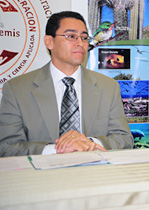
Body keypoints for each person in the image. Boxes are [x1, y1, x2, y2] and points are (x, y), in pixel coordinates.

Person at [0, 11, 133, 157]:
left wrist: (90, 143)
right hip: (41, 177)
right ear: (49, 42)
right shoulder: (17, 89)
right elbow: (7, 147)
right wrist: (57, 149)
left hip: (95, 174)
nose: (80, 43)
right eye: (71, 36)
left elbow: (124, 140)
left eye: (83, 38)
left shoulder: (108, 87)